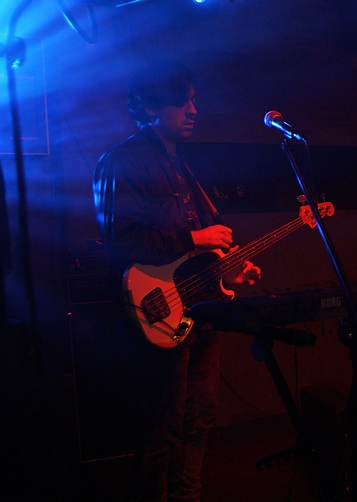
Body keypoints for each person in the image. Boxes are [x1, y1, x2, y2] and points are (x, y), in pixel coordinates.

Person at [93, 62, 260, 501]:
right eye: (182, 102)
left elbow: (197, 250)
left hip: (198, 310)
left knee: (200, 418)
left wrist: (227, 267)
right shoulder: (121, 162)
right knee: (161, 427)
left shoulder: (182, 167)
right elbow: (120, 243)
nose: (193, 110)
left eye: (193, 100)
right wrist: (194, 237)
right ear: (150, 107)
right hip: (155, 313)